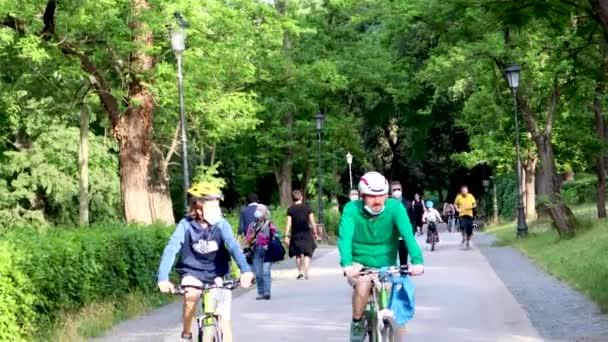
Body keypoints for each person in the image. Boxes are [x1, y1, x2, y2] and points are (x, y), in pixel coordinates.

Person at [157, 182, 254, 342]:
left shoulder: (221, 224)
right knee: (191, 297)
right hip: (192, 272)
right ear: (198, 208)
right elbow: (171, 249)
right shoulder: (185, 225)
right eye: (211, 206)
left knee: (224, 320)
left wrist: (246, 271)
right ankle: (186, 335)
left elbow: (233, 246)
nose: (216, 210)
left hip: (216, 273)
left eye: (217, 206)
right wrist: (163, 278)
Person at [338, 171, 424, 342]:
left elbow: (408, 235)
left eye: (381, 195)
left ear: (387, 194)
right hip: (359, 264)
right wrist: (347, 264)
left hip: (387, 265)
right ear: (362, 196)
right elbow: (345, 238)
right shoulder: (351, 209)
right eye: (371, 196)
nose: (377, 201)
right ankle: (357, 323)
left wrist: (418, 261)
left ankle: (394, 331)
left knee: (397, 301)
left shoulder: (395, 208)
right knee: (363, 286)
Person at [244, 204, 277, 300]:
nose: (258, 211)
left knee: (266, 272)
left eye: (260, 210)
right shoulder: (252, 225)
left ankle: (267, 292)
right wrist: (249, 241)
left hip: (268, 251)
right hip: (256, 251)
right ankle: (260, 292)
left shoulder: (269, 224)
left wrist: (270, 238)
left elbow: (275, 235)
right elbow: (247, 238)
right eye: (257, 209)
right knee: (258, 273)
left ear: (265, 213)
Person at [284, 190, 318, 280]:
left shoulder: (290, 209)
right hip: (306, 233)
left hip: (295, 234)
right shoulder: (307, 208)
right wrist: (315, 232)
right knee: (307, 253)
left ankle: (300, 272)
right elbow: (312, 221)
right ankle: (306, 269)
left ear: (293, 199)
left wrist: (286, 235)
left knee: (298, 254)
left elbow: (288, 223)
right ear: (301, 197)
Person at [390, 181, 415, 266]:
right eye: (394, 190)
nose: (397, 191)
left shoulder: (408, 204)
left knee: (403, 260)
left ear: (401, 190)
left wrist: (411, 233)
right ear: (391, 191)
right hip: (389, 237)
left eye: (398, 189)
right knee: (389, 260)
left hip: (402, 237)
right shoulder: (386, 204)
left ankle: (403, 275)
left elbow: (412, 220)